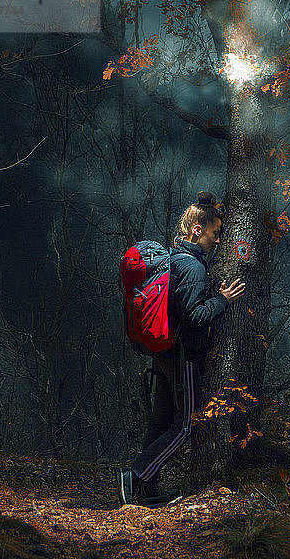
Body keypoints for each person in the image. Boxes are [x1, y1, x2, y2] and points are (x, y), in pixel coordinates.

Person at [116, 191, 245, 505]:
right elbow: (194, 317)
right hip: (183, 357)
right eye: (215, 233)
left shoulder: (175, 260)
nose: (218, 241)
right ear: (198, 230)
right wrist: (222, 300)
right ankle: (136, 475)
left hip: (165, 354)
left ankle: (148, 491)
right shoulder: (192, 267)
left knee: (160, 422)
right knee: (185, 427)